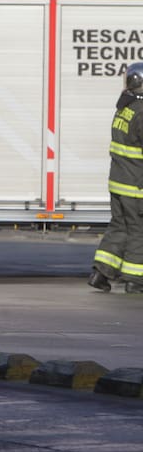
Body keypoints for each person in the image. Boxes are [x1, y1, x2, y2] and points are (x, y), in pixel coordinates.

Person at [88, 62, 143, 294]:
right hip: (136, 185)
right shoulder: (141, 111)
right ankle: (135, 279)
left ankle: (101, 273)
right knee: (138, 230)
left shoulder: (124, 107)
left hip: (119, 182)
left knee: (119, 227)